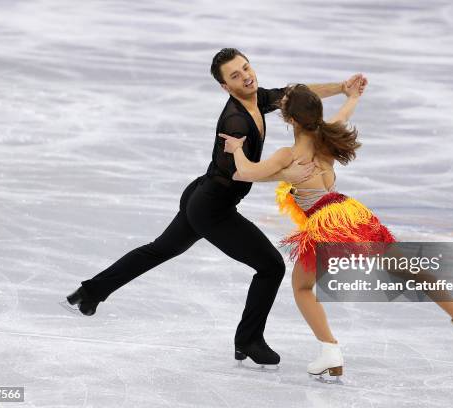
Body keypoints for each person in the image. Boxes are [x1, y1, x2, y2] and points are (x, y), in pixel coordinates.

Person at [64, 47, 363, 366]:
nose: (246, 76)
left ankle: (88, 293)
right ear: (225, 87)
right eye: (236, 75)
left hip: (202, 195)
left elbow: (295, 95)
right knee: (271, 266)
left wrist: (341, 88)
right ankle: (248, 341)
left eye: (246, 68)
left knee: (160, 249)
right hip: (213, 208)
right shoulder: (235, 121)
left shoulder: (257, 98)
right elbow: (239, 172)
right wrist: (285, 173)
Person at [219, 79, 453, 378]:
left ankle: (330, 351)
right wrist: (352, 96)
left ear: (291, 120)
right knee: (409, 269)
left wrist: (236, 148)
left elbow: (244, 172)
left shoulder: (288, 155)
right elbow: (344, 115)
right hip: (351, 212)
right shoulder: (328, 135)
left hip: (325, 222)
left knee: (301, 288)